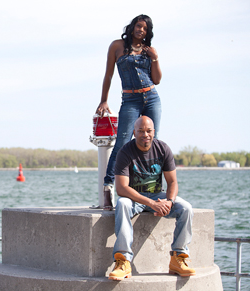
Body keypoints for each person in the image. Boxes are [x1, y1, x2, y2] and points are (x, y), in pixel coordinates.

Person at [107, 116, 194, 281]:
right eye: (140, 131)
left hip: (157, 195)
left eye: (148, 131)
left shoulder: (163, 149)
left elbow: (172, 181)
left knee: (186, 208)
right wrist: (151, 203)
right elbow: (121, 188)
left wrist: (169, 201)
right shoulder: (125, 152)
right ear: (134, 132)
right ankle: (123, 261)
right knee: (122, 203)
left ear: (154, 132)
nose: (145, 134)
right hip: (135, 197)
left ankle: (178, 257)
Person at [96, 14, 163, 207]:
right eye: (138, 26)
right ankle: (108, 186)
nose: (140, 30)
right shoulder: (117, 46)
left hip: (151, 98)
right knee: (122, 142)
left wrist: (155, 58)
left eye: (144, 28)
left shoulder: (148, 51)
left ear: (147, 32)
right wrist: (104, 100)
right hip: (130, 100)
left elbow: (157, 80)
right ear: (132, 26)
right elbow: (108, 75)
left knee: (152, 142)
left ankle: (150, 188)